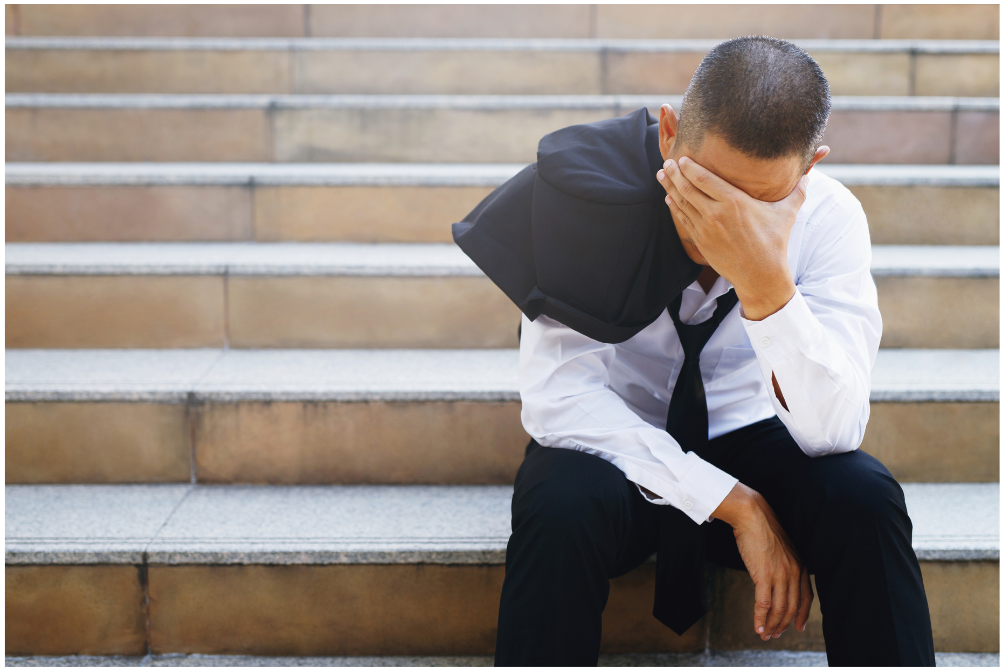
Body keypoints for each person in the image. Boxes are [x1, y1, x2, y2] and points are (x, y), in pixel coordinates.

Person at [454, 36, 935, 667]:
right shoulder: (587, 197)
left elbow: (834, 431)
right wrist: (733, 502)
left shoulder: (830, 219)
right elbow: (559, 403)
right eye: (707, 187)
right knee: (559, 497)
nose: (723, 220)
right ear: (669, 133)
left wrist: (766, 284)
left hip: (757, 436)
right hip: (622, 455)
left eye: (756, 200)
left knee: (865, 496)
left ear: (808, 169)